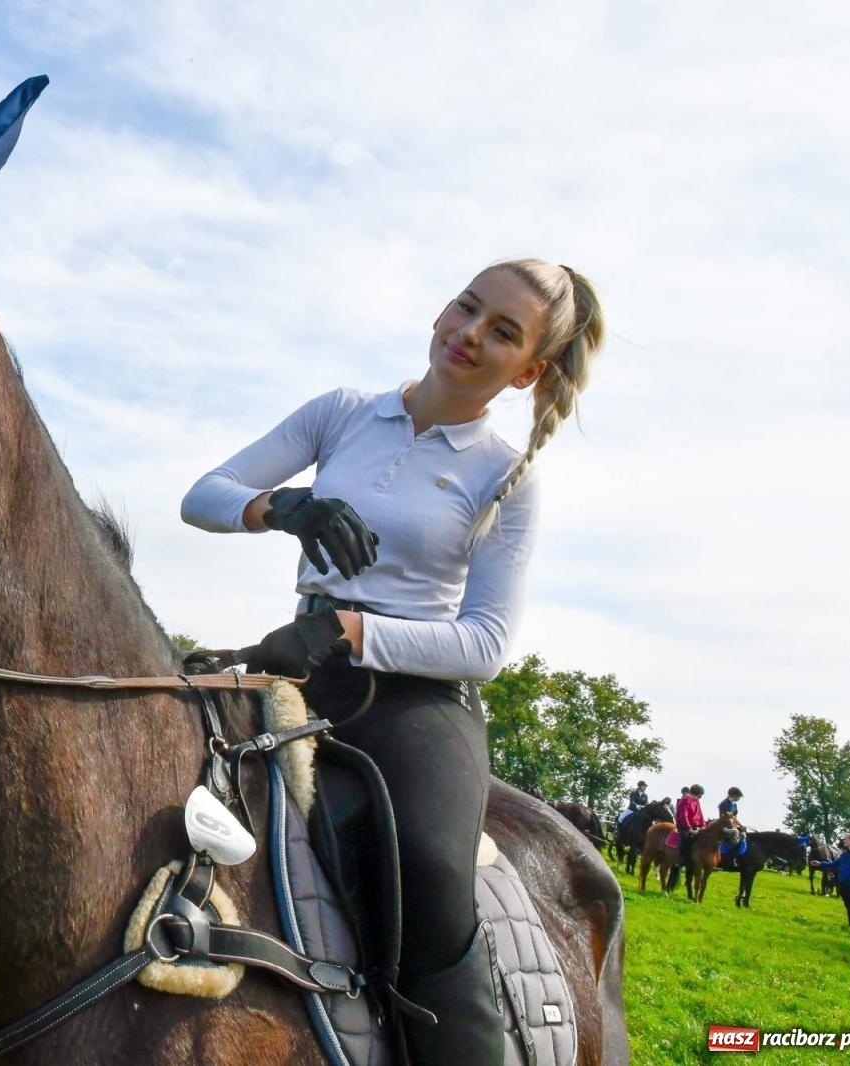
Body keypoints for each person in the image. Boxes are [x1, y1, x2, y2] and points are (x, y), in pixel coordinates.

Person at [181, 258, 605, 1064]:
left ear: (530, 372)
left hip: (414, 699)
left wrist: (352, 632)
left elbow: (483, 645)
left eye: (503, 332)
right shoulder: (342, 413)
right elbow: (203, 494)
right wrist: (279, 506)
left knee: (430, 877)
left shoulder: (506, 475)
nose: (470, 334)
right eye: (467, 306)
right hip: (292, 664)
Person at [812, 834, 850, 928]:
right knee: (848, 905)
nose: (844, 841)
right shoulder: (845, 854)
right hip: (842, 884)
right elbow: (834, 864)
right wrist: (820, 863)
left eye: (846, 839)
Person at [675, 784, 707, 862]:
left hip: (696, 826)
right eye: (700, 795)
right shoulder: (685, 800)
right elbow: (684, 816)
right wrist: (689, 829)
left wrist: (703, 825)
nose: (701, 797)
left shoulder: (696, 801)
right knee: (686, 837)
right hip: (684, 826)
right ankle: (680, 858)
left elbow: (700, 814)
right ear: (696, 793)